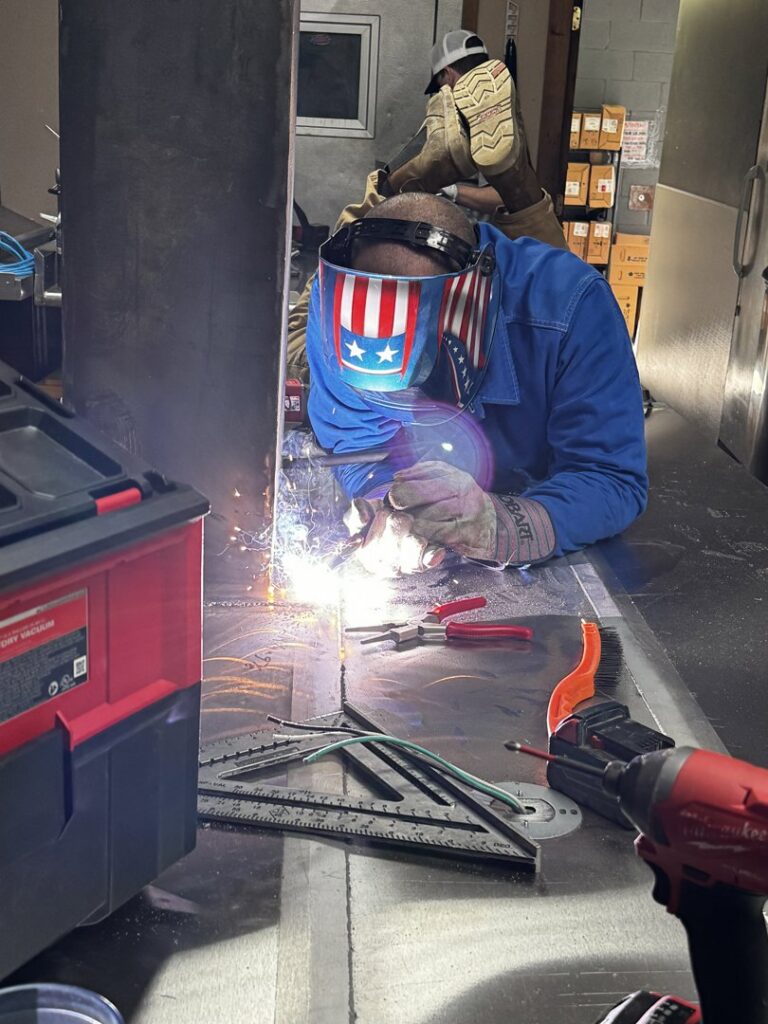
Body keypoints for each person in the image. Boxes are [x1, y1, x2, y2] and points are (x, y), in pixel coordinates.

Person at [305, 190, 648, 577]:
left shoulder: (574, 307)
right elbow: (359, 444)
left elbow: (609, 477)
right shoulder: (336, 309)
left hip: (547, 531)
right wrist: (387, 503)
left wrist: (501, 527)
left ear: (469, 315)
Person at [286, 30, 566, 380]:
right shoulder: (498, 108)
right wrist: (504, 183)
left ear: (446, 77)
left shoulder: (379, 364)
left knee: (301, 341)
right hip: (487, 257)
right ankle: (520, 184)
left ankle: (396, 182)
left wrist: (444, 191)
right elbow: (497, 201)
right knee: (554, 304)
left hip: (426, 255)